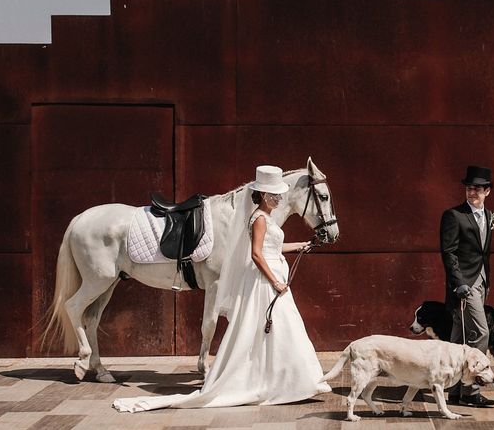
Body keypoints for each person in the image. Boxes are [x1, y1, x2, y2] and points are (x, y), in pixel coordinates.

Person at [113, 165, 331, 412]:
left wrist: (301, 245)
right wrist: (275, 281)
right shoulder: (259, 219)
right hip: (267, 280)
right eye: (276, 195)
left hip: (272, 278)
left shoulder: (266, 218)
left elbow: (272, 247)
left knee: (281, 328)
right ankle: (288, 380)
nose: (280, 199)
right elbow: (257, 255)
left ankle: (286, 379)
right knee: (279, 326)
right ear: (265, 195)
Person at [439, 165, 494, 408]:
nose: (472, 192)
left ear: (487, 191)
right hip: (465, 284)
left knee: (459, 335)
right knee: (481, 332)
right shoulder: (454, 215)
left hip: (481, 280)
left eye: (477, 188)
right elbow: (449, 252)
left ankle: (452, 389)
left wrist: (482, 280)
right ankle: (471, 390)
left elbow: (481, 252)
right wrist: (458, 283)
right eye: (469, 188)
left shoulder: (489, 215)